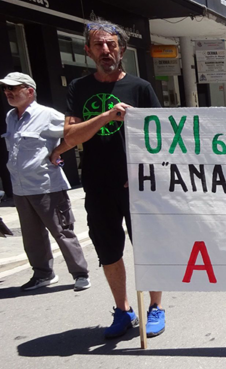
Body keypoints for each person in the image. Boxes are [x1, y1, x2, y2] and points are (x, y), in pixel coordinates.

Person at [53, 20, 163, 339]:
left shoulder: (140, 88)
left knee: (148, 247)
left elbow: (162, 138)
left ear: (122, 50)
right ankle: (123, 310)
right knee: (109, 251)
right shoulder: (78, 88)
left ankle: (155, 307)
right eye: (98, 45)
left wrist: (144, 173)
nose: (106, 50)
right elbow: (71, 136)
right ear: (88, 51)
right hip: (98, 185)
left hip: (138, 186)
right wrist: (106, 116)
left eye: (111, 44)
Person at [1, 72, 90, 292]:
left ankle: (80, 274)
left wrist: (58, 151)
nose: (8, 92)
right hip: (20, 188)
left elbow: (77, 132)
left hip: (46, 185)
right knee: (32, 237)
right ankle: (43, 274)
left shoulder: (47, 114)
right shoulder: (11, 117)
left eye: (13, 88)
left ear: (29, 91)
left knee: (62, 231)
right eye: (5, 89)